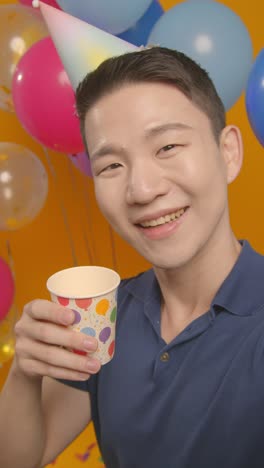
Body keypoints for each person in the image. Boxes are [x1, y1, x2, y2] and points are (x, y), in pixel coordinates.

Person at [0, 45, 263, 468]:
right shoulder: (104, 318)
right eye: (111, 166)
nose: (141, 190)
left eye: (167, 147)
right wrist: (26, 373)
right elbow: (19, 458)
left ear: (228, 151)